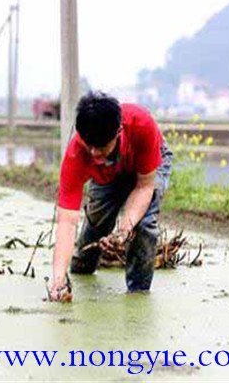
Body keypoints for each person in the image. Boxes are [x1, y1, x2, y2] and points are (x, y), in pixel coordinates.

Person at [50, 91, 173, 300]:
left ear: (118, 132)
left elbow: (144, 186)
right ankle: (80, 267)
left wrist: (125, 230)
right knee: (98, 218)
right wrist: (57, 280)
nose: (94, 153)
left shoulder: (142, 125)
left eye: (101, 146)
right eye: (89, 145)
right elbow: (67, 221)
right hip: (107, 174)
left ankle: (138, 293)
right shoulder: (79, 153)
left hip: (147, 166)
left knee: (143, 225)